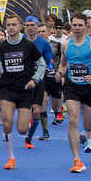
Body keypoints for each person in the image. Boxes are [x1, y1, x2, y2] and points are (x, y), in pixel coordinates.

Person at [55, 12, 91, 173]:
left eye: (80, 25)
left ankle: (89, 137)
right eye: (75, 25)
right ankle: (76, 159)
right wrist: (60, 73)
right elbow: (63, 64)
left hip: (90, 87)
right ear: (71, 26)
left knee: (88, 124)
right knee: (72, 119)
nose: (77, 28)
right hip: (72, 86)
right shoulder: (66, 45)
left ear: (86, 27)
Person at [0, 14, 45, 170]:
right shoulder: (2, 47)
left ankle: (27, 120)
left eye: (13, 25)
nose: (10, 27)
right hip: (7, 89)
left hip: (24, 91)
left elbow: (41, 64)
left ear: (20, 26)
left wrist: (34, 80)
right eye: (8, 25)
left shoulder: (28, 46)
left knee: (22, 130)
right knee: (7, 122)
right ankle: (10, 158)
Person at [22, 15, 54, 148]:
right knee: (24, 110)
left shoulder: (44, 43)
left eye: (33, 25)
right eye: (27, 25)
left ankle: (29, 138)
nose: (30, 28)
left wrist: (50, 68)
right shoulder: (20, 41)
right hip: (22, 80)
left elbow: (49, 60)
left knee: (36, 111)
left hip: (38, 79)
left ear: (37, 27)